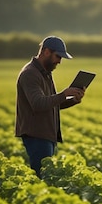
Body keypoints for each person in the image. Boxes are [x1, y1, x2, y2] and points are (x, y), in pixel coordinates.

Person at [15, 36, 85, 177]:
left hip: (45, 135)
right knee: (42, 177)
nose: (59, 61)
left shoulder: (44, 73)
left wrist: (73, 100)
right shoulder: (30, 73)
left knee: (45, 176)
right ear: (46, 51)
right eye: (58, 56)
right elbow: (38, 104)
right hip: (36, 135)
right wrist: (64, 94)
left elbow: (51, 104)